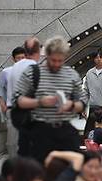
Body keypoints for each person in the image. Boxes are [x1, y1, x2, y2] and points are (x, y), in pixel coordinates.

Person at [14, 36, 85, 164]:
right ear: (46, 55)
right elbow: (19, 101)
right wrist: (39, 102)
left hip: (64, 129)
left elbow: (82, 102)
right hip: (40, 130)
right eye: (53, 60)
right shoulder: (32, 73)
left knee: (73, 167)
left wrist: (72, 105)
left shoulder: (72, 75)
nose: (57, 64)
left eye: (60, 61)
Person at [7, 37, 41, 157]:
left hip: (15, 111)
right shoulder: (34, 67)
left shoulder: (15, 67)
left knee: (17, 145)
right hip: (30, 113)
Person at [0, 46, 26, 158]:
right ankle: (13, 163)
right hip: (12, 109)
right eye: (18, 58)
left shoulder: (31, 71)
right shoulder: (6, 72)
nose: (20, 60)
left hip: (28, 110)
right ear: (13, 59)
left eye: (23, 58)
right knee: (12, 140)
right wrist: (2, 104)